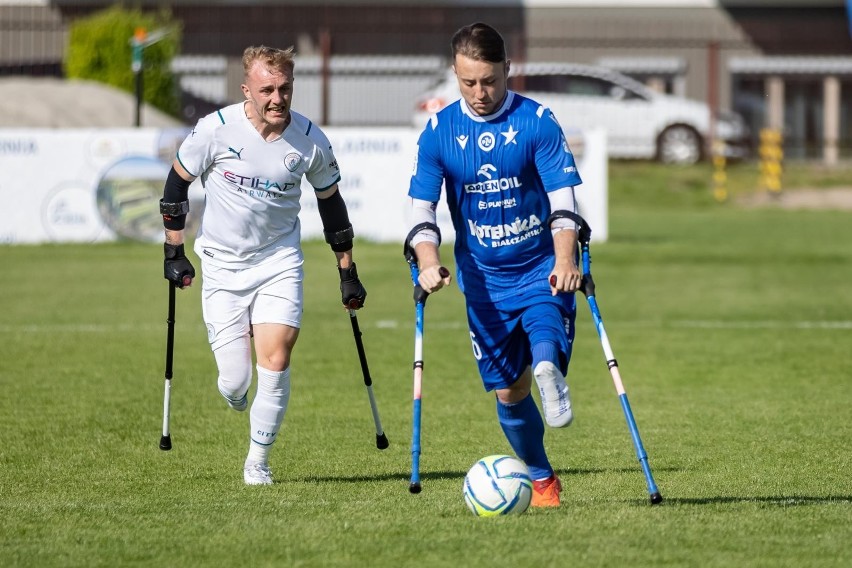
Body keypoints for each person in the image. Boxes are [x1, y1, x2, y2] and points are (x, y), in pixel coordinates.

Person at [159, 45, 367, 486]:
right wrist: (173, 252)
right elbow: (177, 184)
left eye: (285, 88)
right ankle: (236, 393)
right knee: (235, 382)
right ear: (246, 90)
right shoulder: (215, 130)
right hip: (221, 266)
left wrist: (347, 273)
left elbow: (332, 208)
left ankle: (258, 461)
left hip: (278, 261)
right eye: (267, 89)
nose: (277, 98)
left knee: (276, 356)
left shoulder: (311, 141)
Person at [406, 22, 583, 507]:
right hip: (483, 279)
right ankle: (543, 479)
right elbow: (421, 209)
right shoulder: (440, 131)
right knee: (508, 392)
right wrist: (428, 262)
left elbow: (563, 201)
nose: (480, 93)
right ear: (455, 76)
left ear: (508, 70)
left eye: (489, 80)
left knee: (545, 329)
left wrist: (566, 258)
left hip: (541, 263)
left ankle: (549, 367)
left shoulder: (537, 121)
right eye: (469, 83)